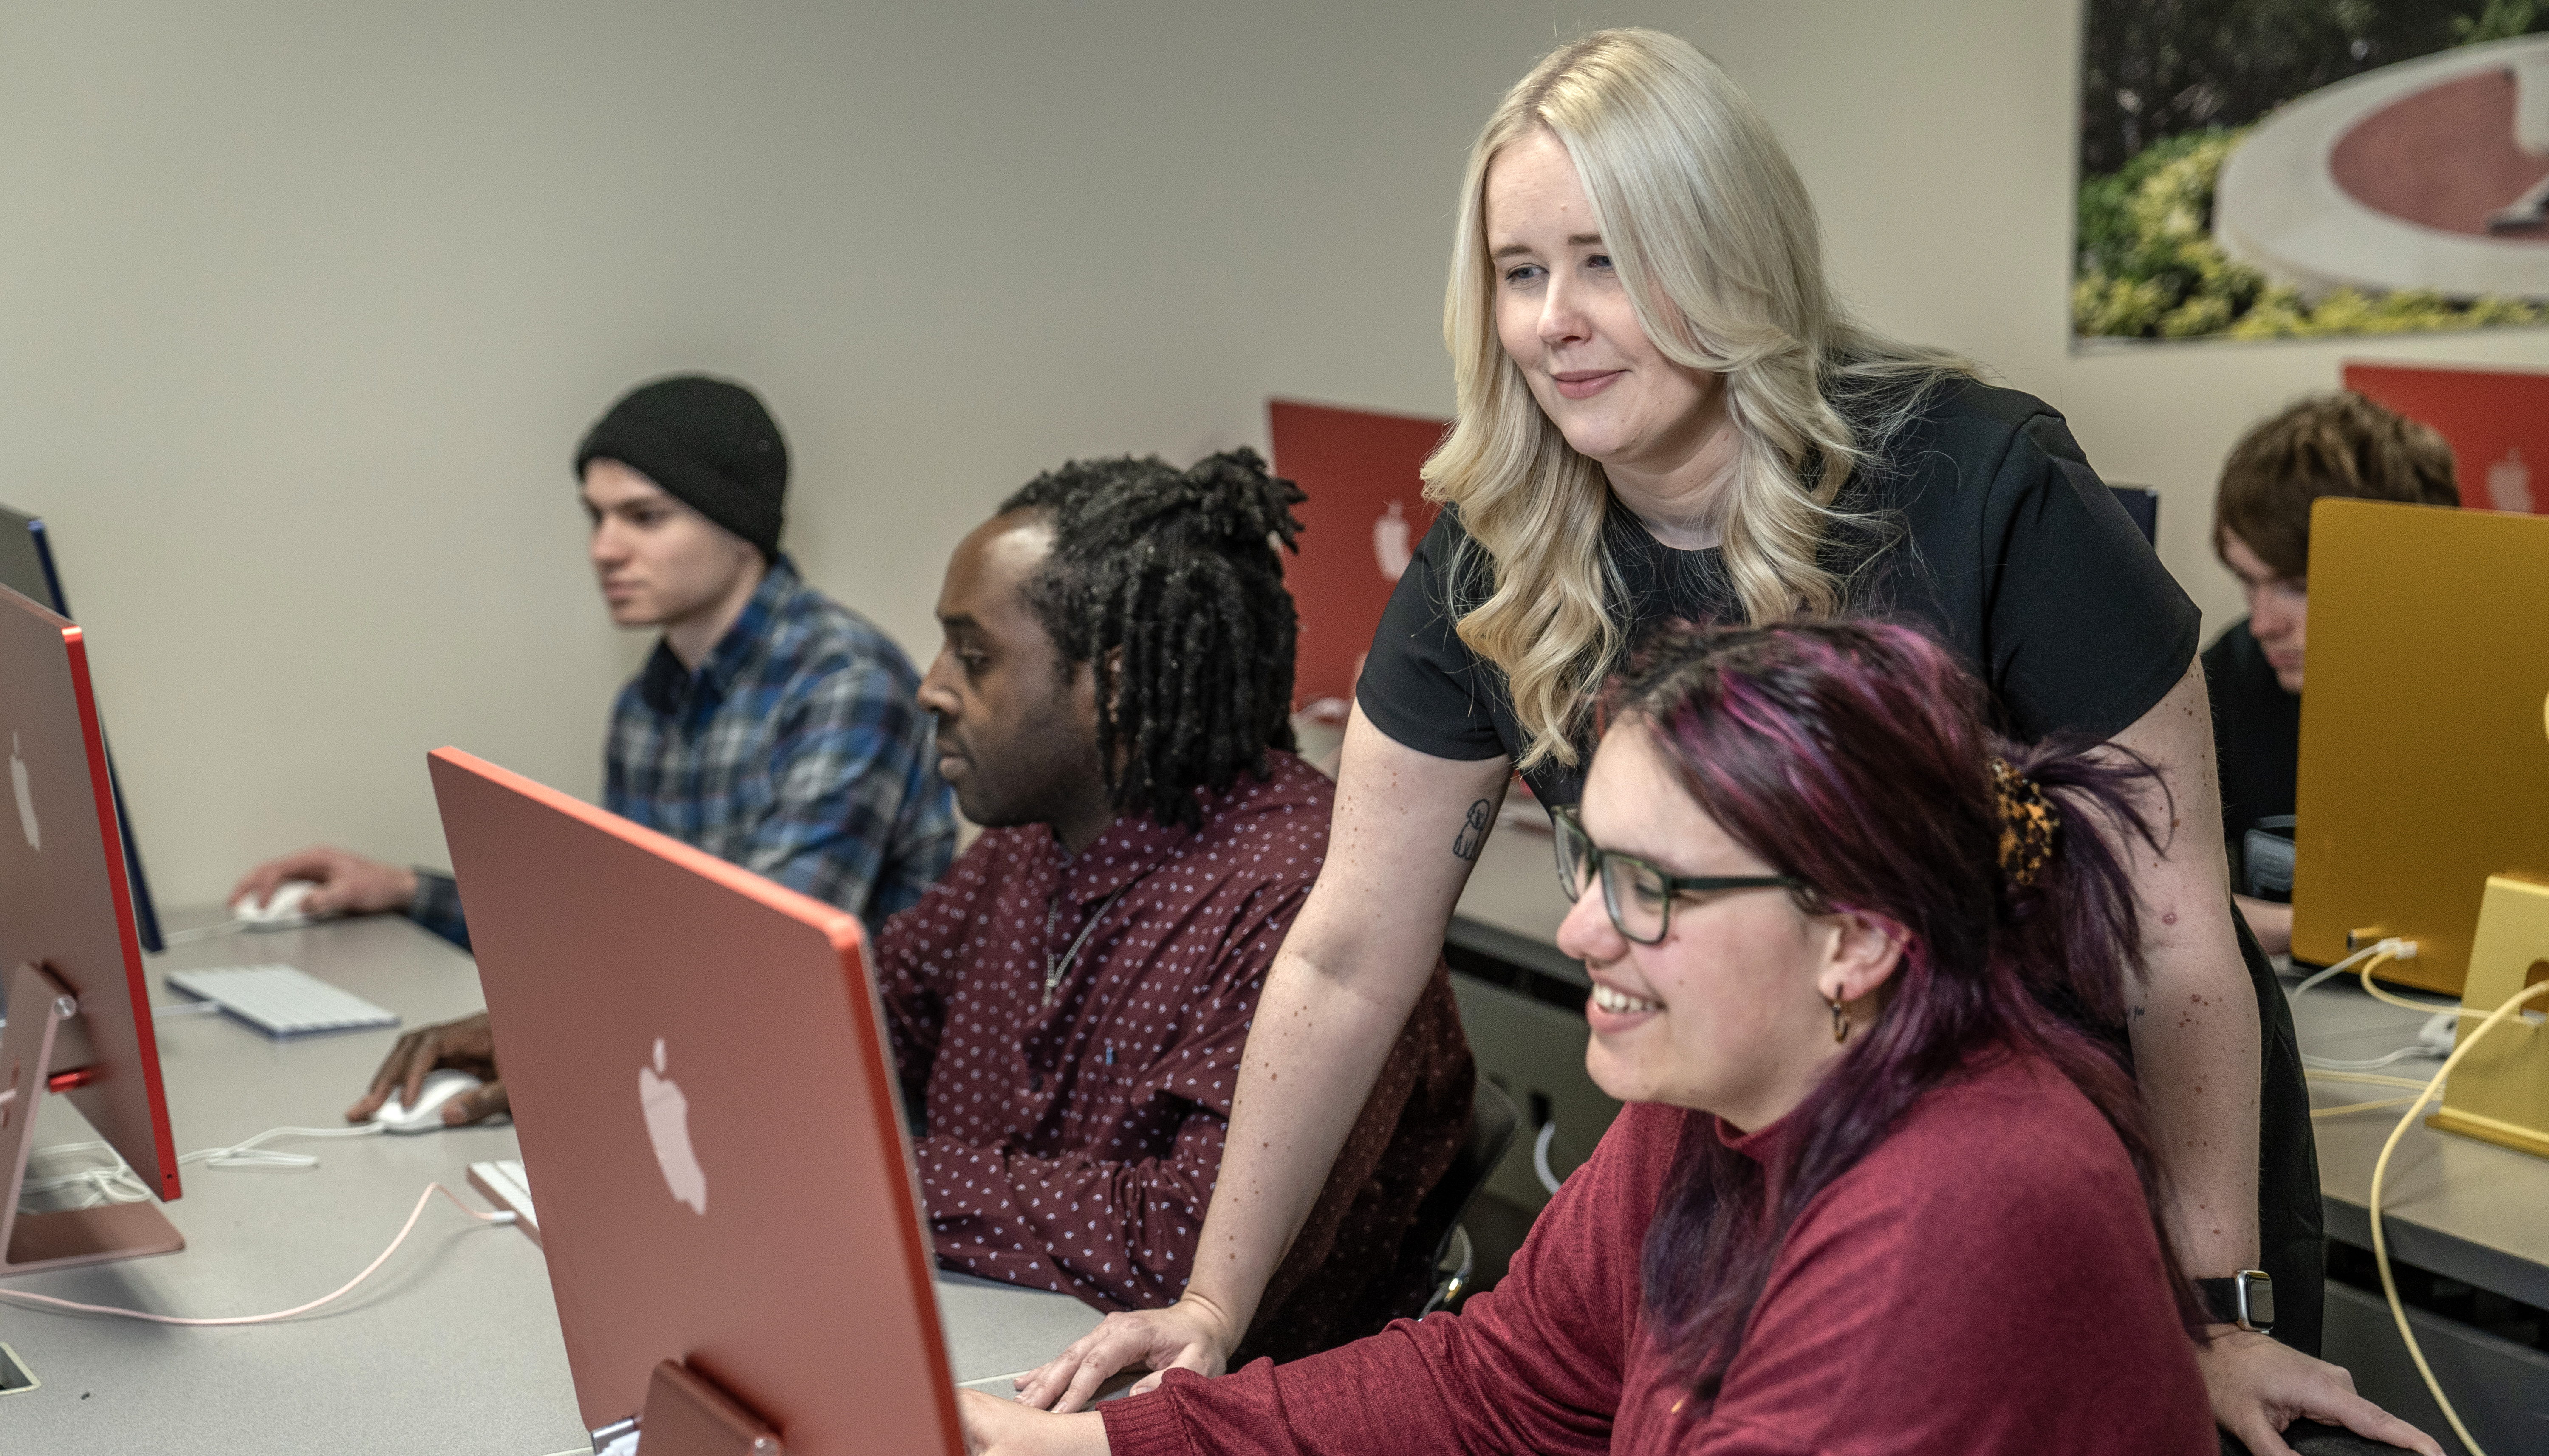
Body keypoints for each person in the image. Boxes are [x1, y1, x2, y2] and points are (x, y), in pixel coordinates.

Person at [1020, 29, 2391, 1455]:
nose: (1554, 318)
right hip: (1782, 1151)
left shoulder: (1978, 484)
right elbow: (1349, 947)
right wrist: (1213, 1305)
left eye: (1607, 259)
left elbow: (2173, 938)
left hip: (2066, 1179)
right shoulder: (1492, 548)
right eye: (1518, 270)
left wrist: (2216, 1307)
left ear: (1731, 256)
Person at [961, 623, 2443, 1456]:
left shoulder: (1969, 1204)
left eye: (1653, 888)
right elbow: (1494, 1387)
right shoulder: (1721, 1095)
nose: (1581, 932)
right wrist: (1052, 1445)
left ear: (1855, 933)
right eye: (1590, 865)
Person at [356, 449, 1474, 1358]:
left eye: (973, 655)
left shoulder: (1299, 897)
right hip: (986, 1344)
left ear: (1118, 681)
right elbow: (848, 1015)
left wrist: (838, 1172)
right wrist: (583, 1049)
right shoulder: (1032, 846)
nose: (930, 684)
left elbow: (1173, 1244)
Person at [243, 374, 955, 1124]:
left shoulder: (847, 685)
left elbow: (756, 959)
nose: (604, 549)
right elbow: (624, 929)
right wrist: (406, 891)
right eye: (596, 518)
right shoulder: (647, 702)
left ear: (740, 528)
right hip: (691, 1087)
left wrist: (548, 1042)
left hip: (820, 1117)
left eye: (644, 518)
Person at [2208, 392, 2459, 957]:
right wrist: (2304, 932)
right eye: (2248, 582)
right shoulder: (2232, 674)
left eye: (2297, 585)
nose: (2264, 622)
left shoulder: (2479, 699)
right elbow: (2144, 897)